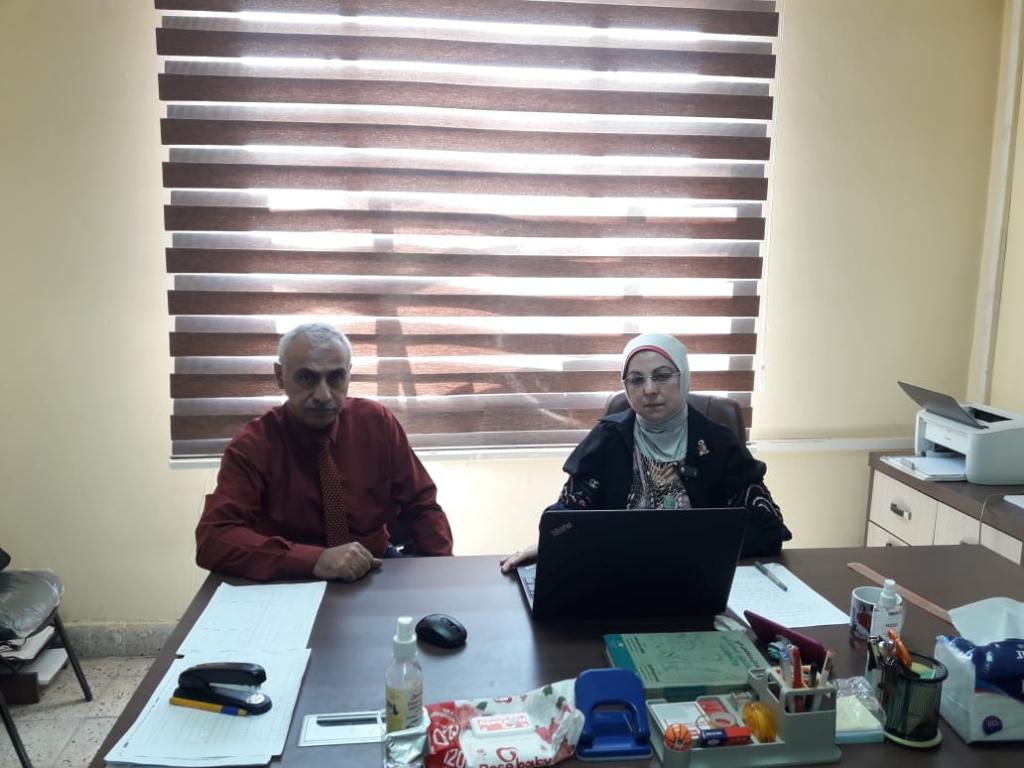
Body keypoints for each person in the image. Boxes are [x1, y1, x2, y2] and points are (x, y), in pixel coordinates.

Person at [500, 333, 791, 572]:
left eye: (662, 376)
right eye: (636, 380)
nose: (649, 390)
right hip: (619, 578)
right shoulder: (608, 439)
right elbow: (571, 512)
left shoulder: (717, 442)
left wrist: (694, 548)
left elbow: (766, 528)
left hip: (699, 580)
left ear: (683, 378)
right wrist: (550, 541)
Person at [196, 323, 453, 582]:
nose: (323, 395)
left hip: (374, 562)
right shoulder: (254, 445)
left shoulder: (376, 423)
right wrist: (314, 559)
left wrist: (442, 574)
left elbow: (422, 505)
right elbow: (213, 538)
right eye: (307, 378)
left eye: (335, 377)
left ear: (349, 374)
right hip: (291, 574)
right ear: (280, 376)